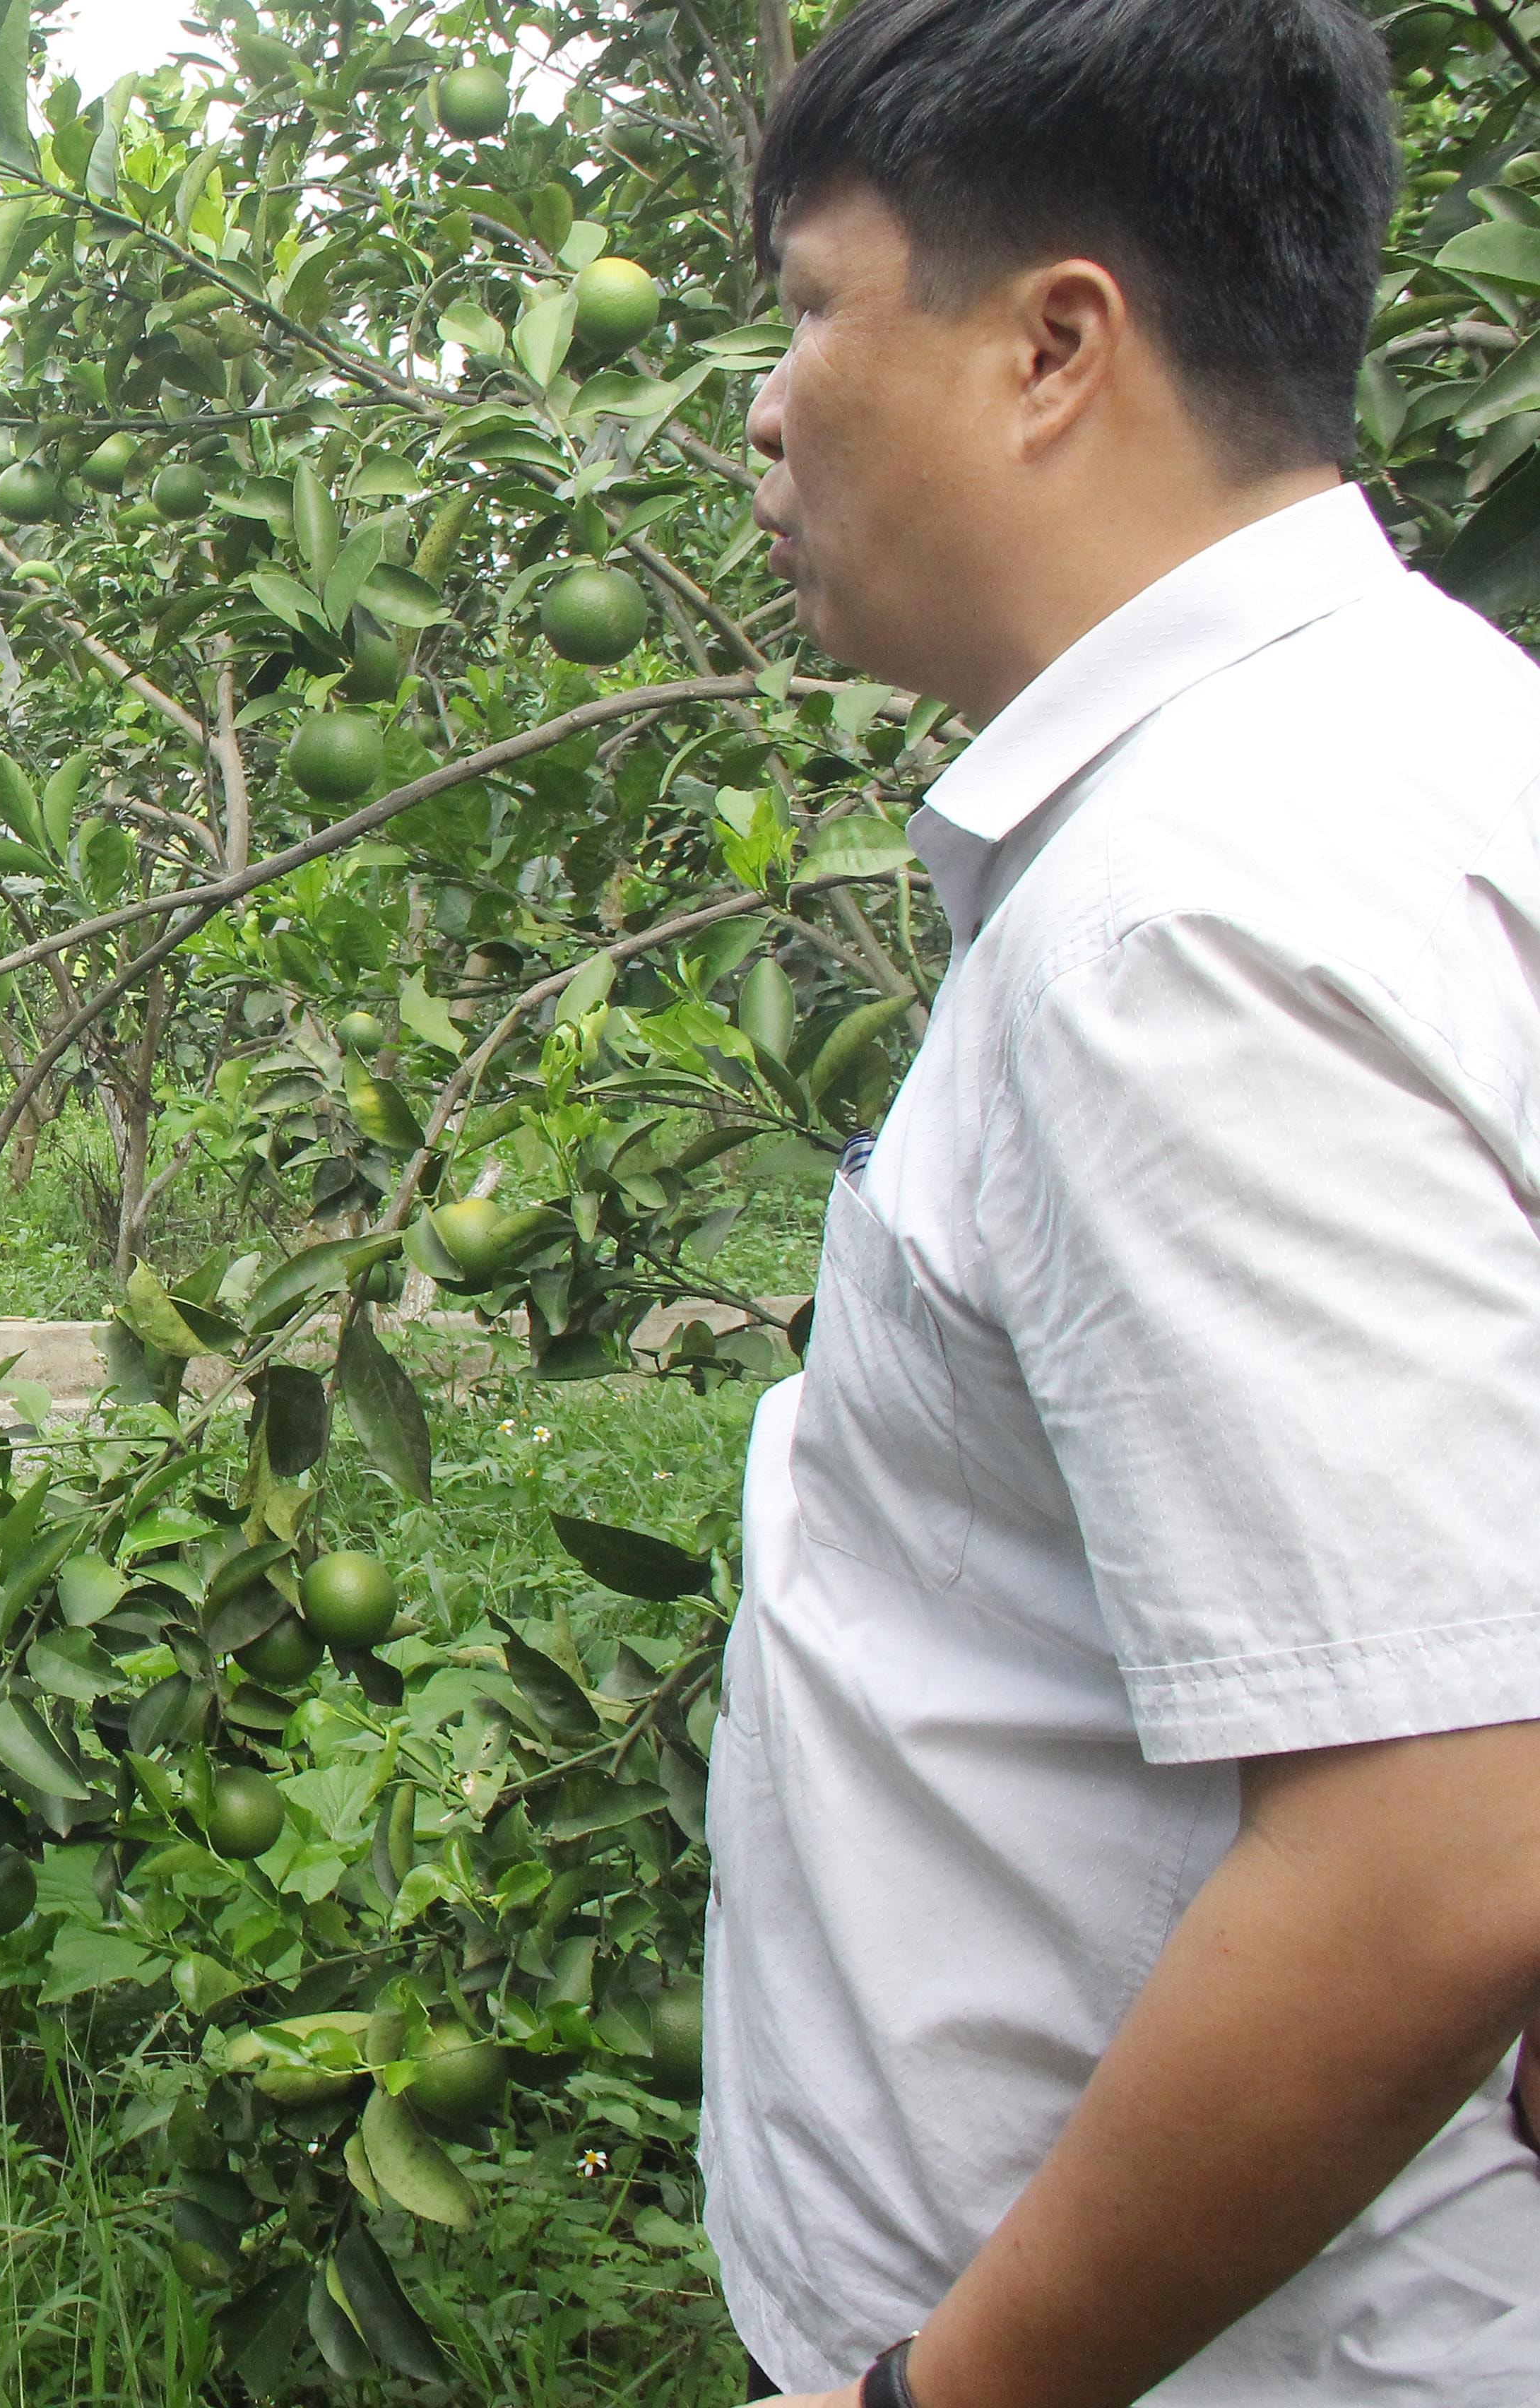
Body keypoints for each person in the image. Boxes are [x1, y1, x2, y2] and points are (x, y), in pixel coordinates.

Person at [706, 5, 1540, 2403]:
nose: (762, 411)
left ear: (1050, 342)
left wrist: (937, 2388)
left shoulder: (1184, 916)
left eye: (808, 308)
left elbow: (1430, 1848)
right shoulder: (1435, 730)